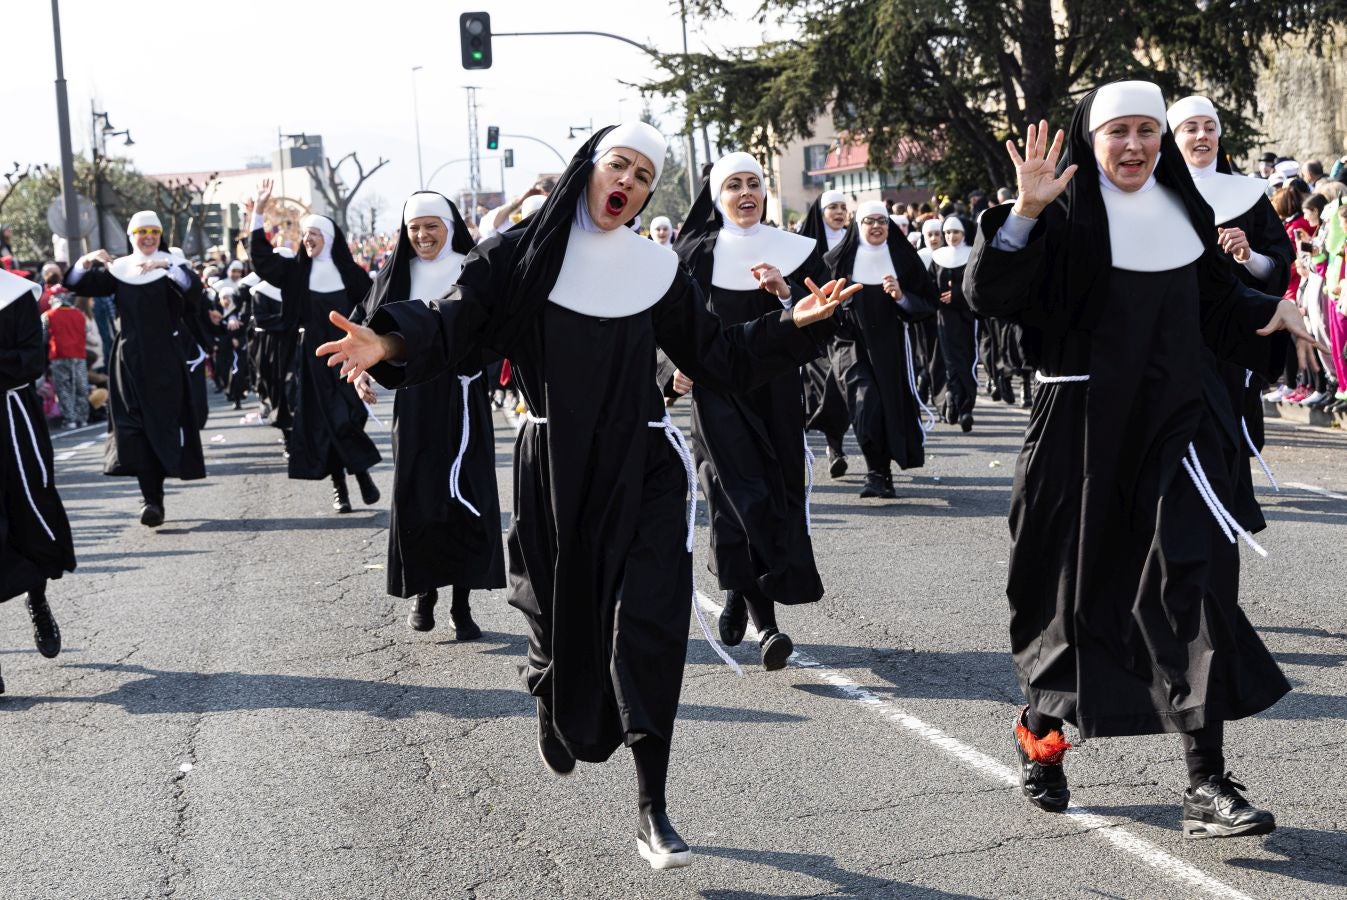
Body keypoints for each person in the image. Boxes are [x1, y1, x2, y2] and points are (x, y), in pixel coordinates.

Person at [314, 123, 849, 869]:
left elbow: (717, 356)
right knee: (553, 616)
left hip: (646, 461)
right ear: (589, 172)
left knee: (652, 624)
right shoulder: (521, 255)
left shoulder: (656, 267)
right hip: (552, 462)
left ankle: (652, 808)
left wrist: (791, 323)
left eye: (641, 174)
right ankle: (547, 685)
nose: (625, 181)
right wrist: (390, 344)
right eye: (616, 165)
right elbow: (455, 322)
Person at [964, 82, 1323, 838]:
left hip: (1177, 430)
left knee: (1191, 586)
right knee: (1076, 603)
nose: (1134, 146)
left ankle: (1205, 783)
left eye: (1146, 132)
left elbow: (1217, 304)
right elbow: (987, 296)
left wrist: (1272, 309)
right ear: (1091, 140)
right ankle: (1042, 737)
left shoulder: (1182, 211)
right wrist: (1023, 213)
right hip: (1083, 434)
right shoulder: (1056, 217)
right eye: (1117, 132)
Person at [670, 151, 837, 671]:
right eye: (733, 185)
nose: (745, 193)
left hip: (777, 394)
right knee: (738, 498)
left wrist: (787, 294)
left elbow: (828, 324)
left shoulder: (796, 251)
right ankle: (768, 627)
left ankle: (741, 591)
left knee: (775, 494)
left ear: (765, 192)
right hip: (718, 394)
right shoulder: (692, 255)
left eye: (753, 183)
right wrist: (668, 372)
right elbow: (659, 327)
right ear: (717, 198)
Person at [354, 191, 502, 638]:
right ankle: (424, 594)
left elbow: (497, 326)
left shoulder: (471, 268)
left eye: (431, 225)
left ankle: (461, 603)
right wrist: (363, 370)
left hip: (465, 395)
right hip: (415, 398)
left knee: (465, 494)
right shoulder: (396, 276)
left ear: (449, 226)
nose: (422, 235)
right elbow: (366, 327)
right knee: (419, 494)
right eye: (414, 227)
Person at [1167, 95, 1293, 520]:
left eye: (1209, 127)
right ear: (1173, 136)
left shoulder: (1247, 194)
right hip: (1170, 336)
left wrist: (1248, 256)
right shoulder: (1156, 192)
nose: (1202, 135)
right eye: (1191, 127)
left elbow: (1276, 262)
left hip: (1230, 340)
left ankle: (1223, 516)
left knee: (1227, 433)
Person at [63, 212, 208, 526]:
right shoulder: (120, 270)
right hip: (127, 360)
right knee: (134, 429)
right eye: (142, 231)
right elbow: (73, 284)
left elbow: (193, 293)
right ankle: (150, 500)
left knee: (162, 425)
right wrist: (85, 261)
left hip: (165, 360)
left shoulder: (173, 267)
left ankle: (157, 494)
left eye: (153, 232)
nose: (148, 237)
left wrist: (166, 266)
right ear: (131, 235)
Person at [249, 181, 382, 514]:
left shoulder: (353, 275)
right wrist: (257, 212)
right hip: (313, 358)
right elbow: (262, 261)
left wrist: (372, 359)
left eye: (314, 235)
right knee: (325, 423)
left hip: (350, 358)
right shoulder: (296, 273)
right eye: (305, 235)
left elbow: (373, 314)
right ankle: (344, 488)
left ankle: (360, 471)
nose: (307, 240)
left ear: (329, 239)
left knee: (349, 419)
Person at [823, 200, 937, 496]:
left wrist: (901, 297)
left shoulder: (904, 261)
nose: (876, 226)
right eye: (869, 221)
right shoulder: (837, 261)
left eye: (882, 221)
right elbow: (820, 304)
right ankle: (875, 472)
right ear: (857, 226)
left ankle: (881, 473)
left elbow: (927, 302)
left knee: (886, 408)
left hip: (890, 347)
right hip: (850, 345)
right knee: (865, 403)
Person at [1, 269, 73, 693]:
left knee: (28, 517)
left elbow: (31, 360)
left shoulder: (16, 295)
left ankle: (38, 597)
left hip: (13, 419)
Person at [796, 188, 854, 477]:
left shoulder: (856, 241)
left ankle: (838, 444)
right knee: (826, 381)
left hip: (849, 327)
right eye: (833, 207)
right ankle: (835, 445)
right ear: (821, 213)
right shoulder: (806, 246)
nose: (839, 212)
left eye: (843, 206)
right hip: (817, 328)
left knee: (842, 381)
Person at [930, 215, 977, 431]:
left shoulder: (973, 255)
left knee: (967, 361)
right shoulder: (937, 257)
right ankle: (956, 402)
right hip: (944, 319)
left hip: (967, 318)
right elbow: (929, 286)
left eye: (955, 232)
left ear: (964, 233)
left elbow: (978, 284)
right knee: (950, 362)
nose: (951, 236)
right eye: (947, 232)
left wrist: (957, 294)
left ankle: (965, 406)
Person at [41, 291, 90, 429]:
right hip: (79, 354)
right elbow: (86, 331)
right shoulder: (80, 314)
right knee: (81, 386)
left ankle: (70, 419)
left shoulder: (48, 315)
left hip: (59, 355)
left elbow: (41, 337)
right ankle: (83, 417)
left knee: (64, 388)